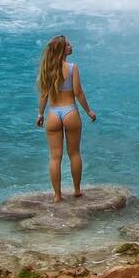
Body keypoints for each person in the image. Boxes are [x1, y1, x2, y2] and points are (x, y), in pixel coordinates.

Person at [35, 34, 97, 201]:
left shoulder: (47, 69)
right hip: (70, 112)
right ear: (62, 50)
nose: (71, 46)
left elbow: (44, 95)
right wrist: (89, 111)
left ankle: (57, 195)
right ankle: (76, 190)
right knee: (74, 153)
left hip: (53, 113)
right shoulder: (72, 68)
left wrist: (40, 114)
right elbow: (78, 93)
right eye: (68, 45)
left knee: (55, 157)